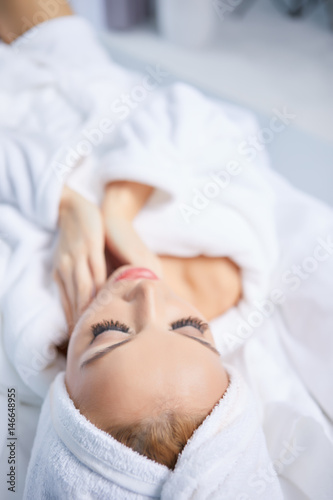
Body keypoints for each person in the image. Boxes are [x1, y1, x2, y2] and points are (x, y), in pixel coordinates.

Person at [1, 2, 333, 499]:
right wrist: (118, 208)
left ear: (60, 398)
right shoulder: (234, 271)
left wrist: (65, 203)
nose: (146, 294)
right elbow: (197, 113)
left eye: (111, 331)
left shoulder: (27, 320)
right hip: (74, 60)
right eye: (190, 328)